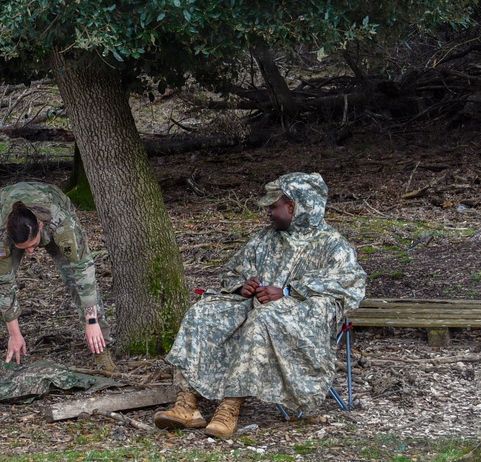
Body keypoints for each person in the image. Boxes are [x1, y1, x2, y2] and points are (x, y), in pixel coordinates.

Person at [155, 172, 366, 438]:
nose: (268, 212)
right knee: (204, 312)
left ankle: (230, 407)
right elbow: (232, 272)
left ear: (292, 206)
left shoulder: (332, 245)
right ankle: (188, 405)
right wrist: (243, 285)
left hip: (301, 319)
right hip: (257, 307)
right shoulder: (266, 239)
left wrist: (289, 291)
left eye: (273, 206)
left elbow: (352, 285)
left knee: (262, 318)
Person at [0, 181, 114, 370]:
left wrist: (91, 321)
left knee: (76, 279)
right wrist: (14, 334)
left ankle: (100, 345)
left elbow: (83, 270)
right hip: (4, 211)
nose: (31, 252)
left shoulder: (62, 224)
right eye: (24, 248)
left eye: (33, 245)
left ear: (40, 226)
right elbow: (2, 283)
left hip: (53, 215)